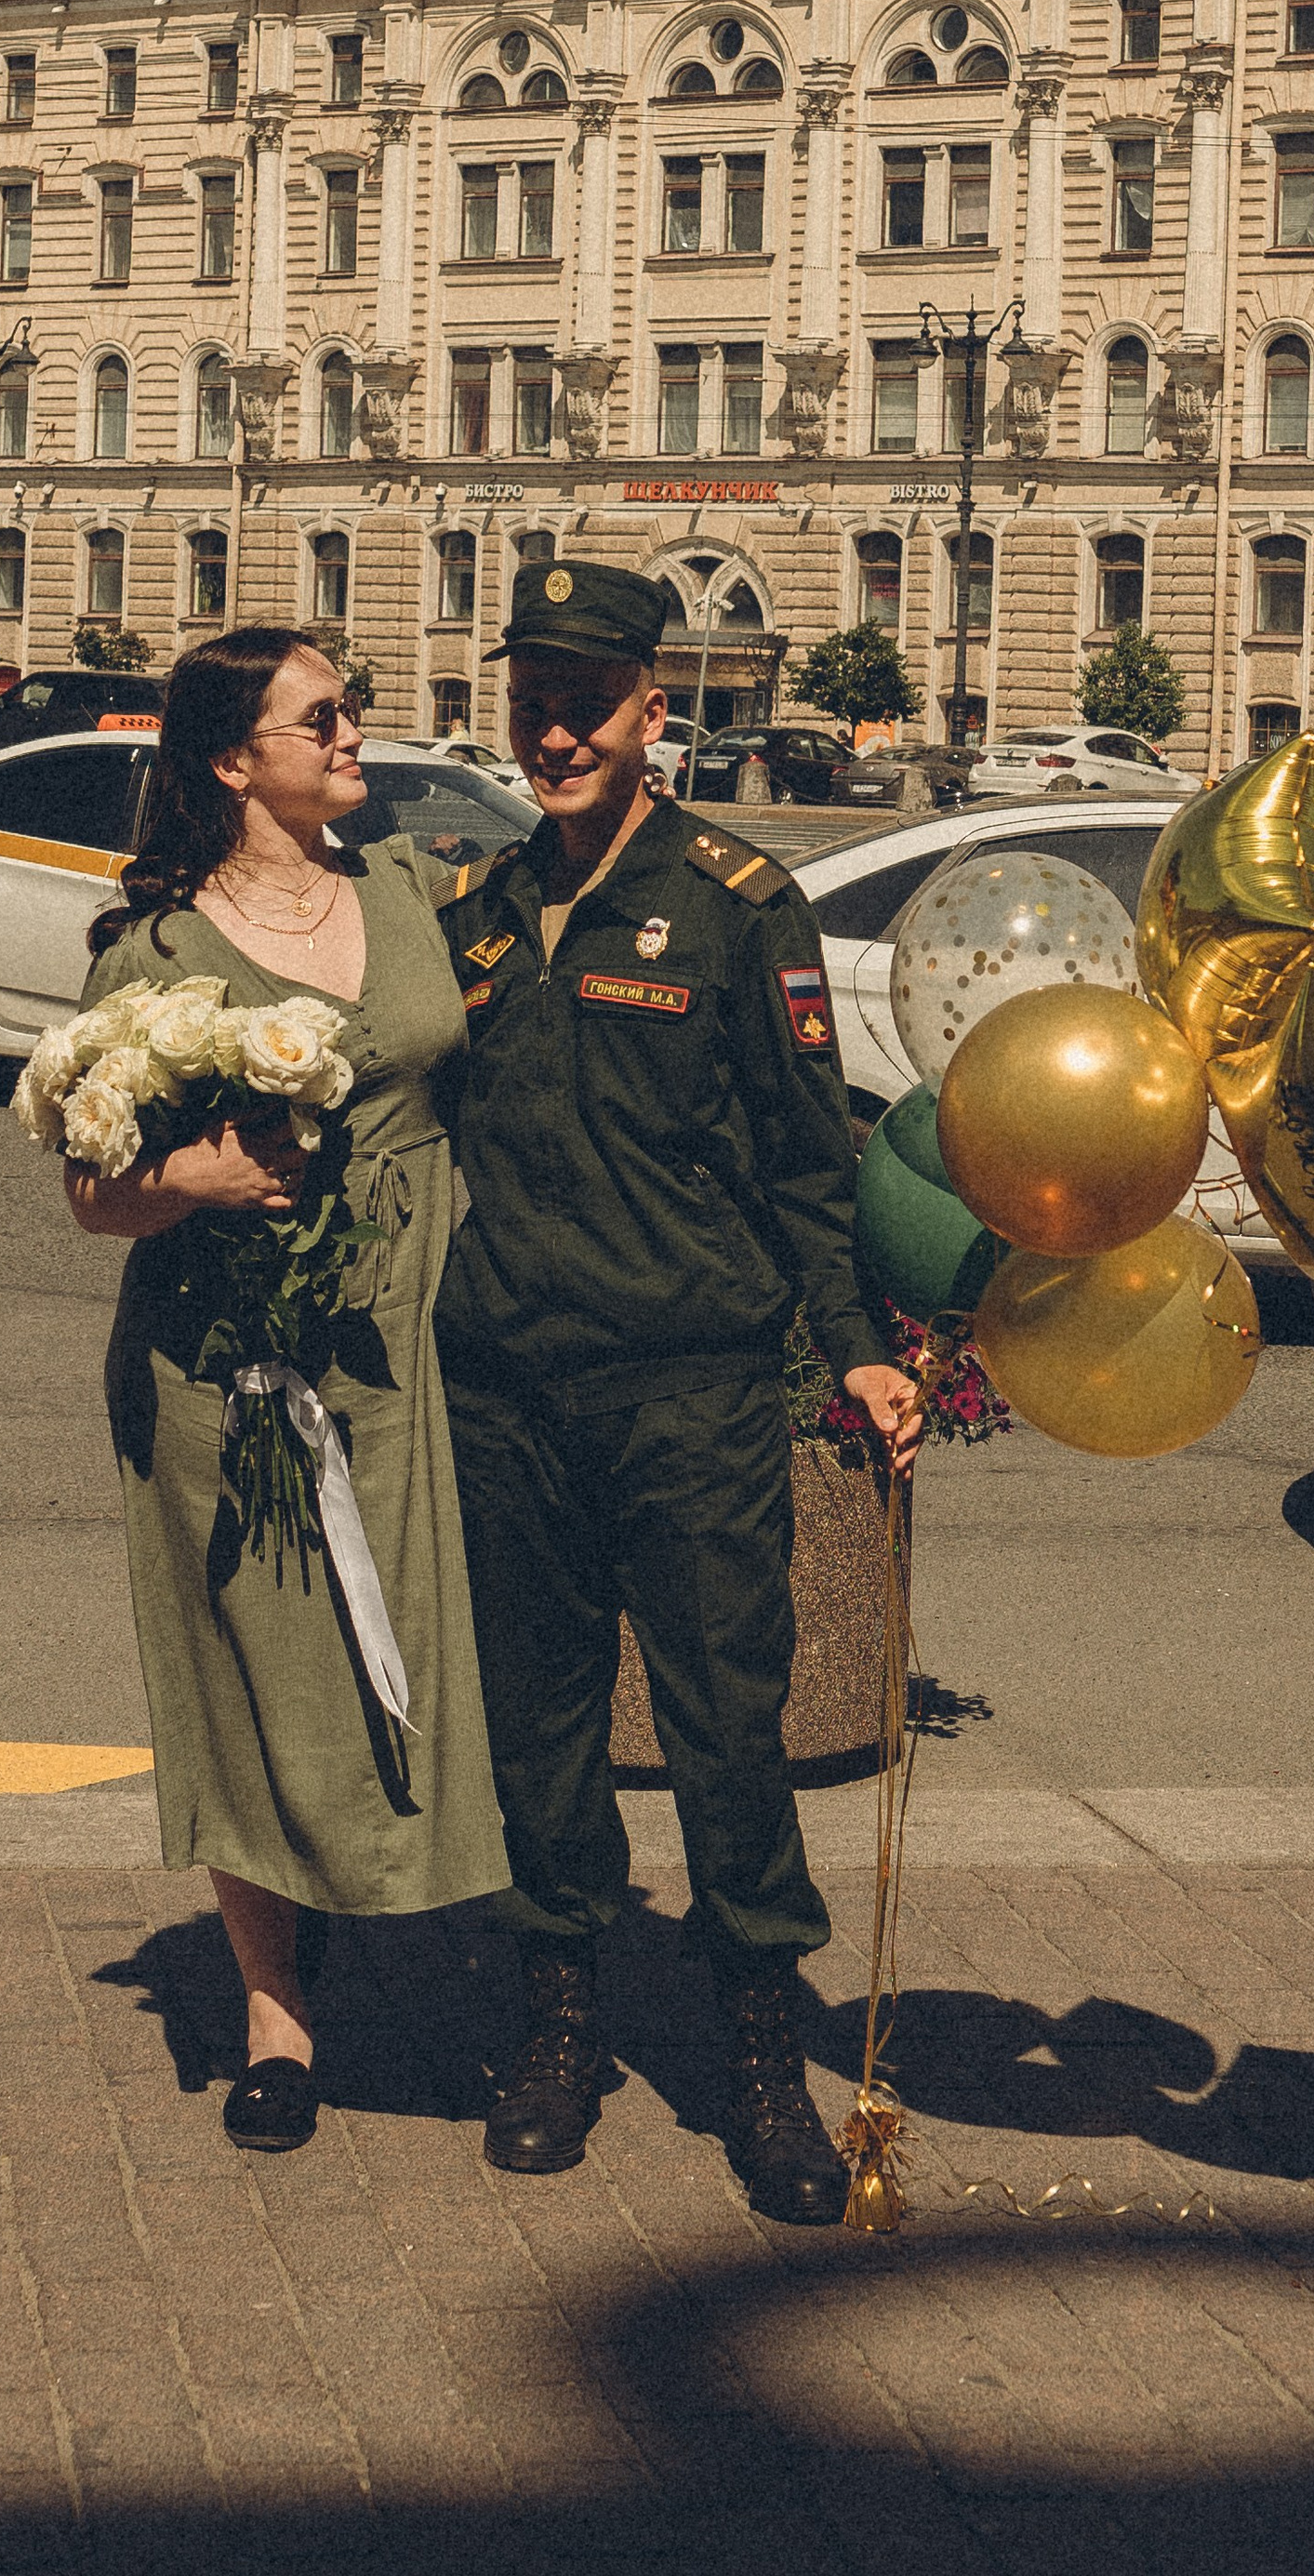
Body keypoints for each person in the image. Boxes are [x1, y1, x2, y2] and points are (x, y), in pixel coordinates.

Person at [435, 561, 920, 2226]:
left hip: (688, 1388)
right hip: (506, 1381)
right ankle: (558, 2024)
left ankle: (758, 2055)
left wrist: (853, 1338)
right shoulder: (478, 908)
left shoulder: (734, 901)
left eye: (589, 698)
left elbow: (804, 1158)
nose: (555, 727)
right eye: (534, 696)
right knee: (541, 1726)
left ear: (658, 709)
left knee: (728, 1721)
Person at [67, 626, 510, 2154]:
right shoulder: (158, 952)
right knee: (249, 1678)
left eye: (355, 711)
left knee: (434, 1655)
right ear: (231, 760)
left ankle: (454, 1945)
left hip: (416, 1340)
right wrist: (189, 1171)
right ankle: (278, 2019)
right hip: (227, 1366)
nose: (356, 736)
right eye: (325, 717)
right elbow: (94, 1191)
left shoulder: (408, 888)